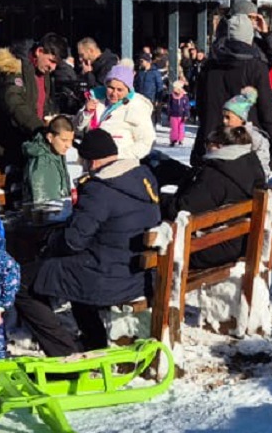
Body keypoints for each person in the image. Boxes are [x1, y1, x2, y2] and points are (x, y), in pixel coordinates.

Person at [12, 128, 161, 356]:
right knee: (67, 270)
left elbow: (73, 241)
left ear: (91, 161)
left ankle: (64, 353)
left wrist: (48, 242)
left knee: (20, 280)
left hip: (108, 277)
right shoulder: (141, 177)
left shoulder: (100, 189)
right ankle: (93, 341)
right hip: (136, 273)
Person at [0, 34, 68, 201]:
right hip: (0, 143)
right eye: (51, 61)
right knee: (7, 195)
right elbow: (13, 102)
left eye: (56, 64)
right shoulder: (14, 67)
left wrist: (50, 120)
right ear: (39, 51)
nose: (53, 67)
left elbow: (43, 102)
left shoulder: (42, 73)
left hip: (24, 141)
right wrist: (39, 128)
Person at [189, 8, 272, 169]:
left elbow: (201, 106)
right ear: (249, 37)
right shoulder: (255, 67)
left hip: (212, 141)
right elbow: (267, 110)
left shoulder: (210, 66)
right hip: (244, 142)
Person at [164, 124, 265, 271]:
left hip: (212, 247)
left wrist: (158, 200)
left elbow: (182, 210)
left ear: (218, 146)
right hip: (241, 241)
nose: (205, 149)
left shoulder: (215, 175)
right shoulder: (250, 164)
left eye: (207, 144)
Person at [78, 63, 155, 161]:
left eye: (120, 90)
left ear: (128, 90)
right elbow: (77, 128)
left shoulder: (136, 107)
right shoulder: (96, 100)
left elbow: (146, 142)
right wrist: (86, 113)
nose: (114, 93)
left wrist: (116, 156)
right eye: (111, 88)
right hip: (92, 163)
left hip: (120, 167)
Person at [21, 115, 75, 204]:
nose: (69, 145)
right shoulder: (43, 161)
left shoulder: (56, 152)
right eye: (64, 140)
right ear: (50, 137)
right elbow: (45, 204)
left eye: (71, 140)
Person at [221, 86, 272, 177]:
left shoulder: (256, 138)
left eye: (228, 117)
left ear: (241, 118)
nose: (224, 121)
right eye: (223, 117)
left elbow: (263, 166)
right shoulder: (220, 135)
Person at [165, 80, 190, 147]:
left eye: (175, 87)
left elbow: (187, 106)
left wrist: (186, 114)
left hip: (181, 115)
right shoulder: (171, 96)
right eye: (174, 88)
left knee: (181, 128)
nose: (174, 89)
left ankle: (180, 139)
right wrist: (169, 114)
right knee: (174, 128)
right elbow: (169, 106)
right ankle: (173, 140)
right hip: (173, 115)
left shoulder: (184, 97)